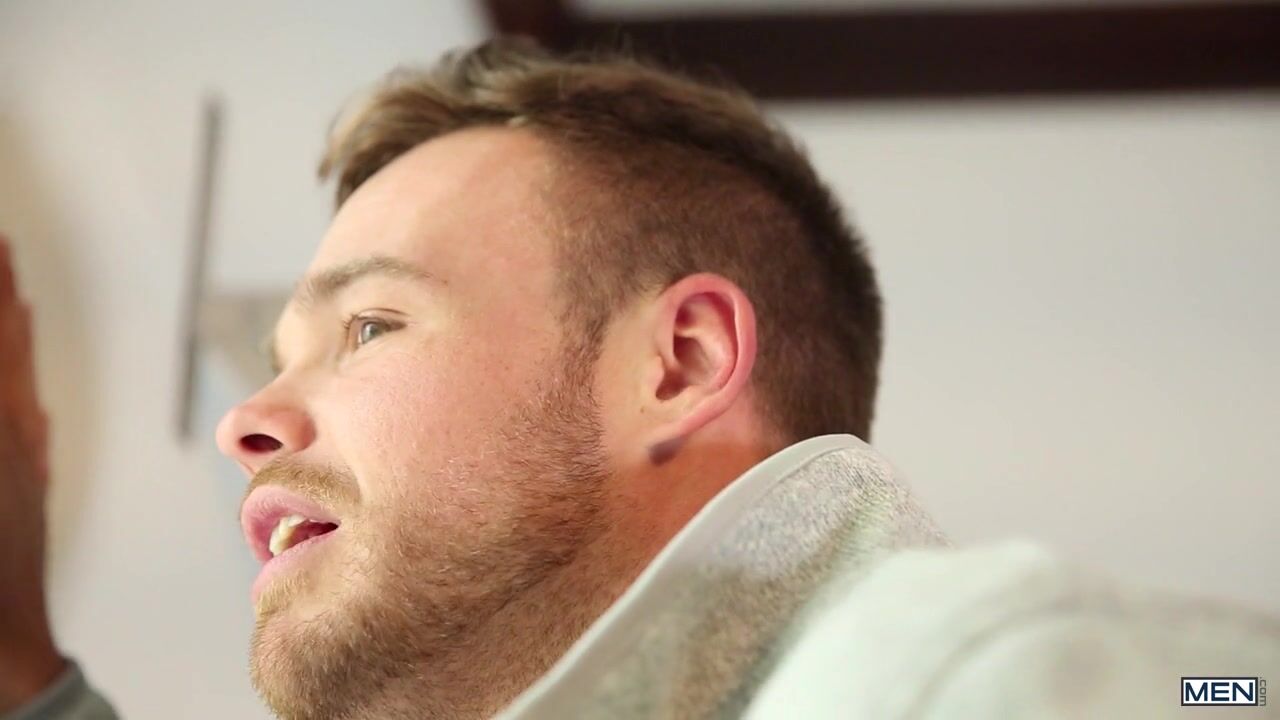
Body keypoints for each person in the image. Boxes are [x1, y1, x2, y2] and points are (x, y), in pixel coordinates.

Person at [2, 39, 1277, 720]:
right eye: (280, 358)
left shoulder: (984, 681)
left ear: (680, 363)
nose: (246, 421)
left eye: (371, 326)